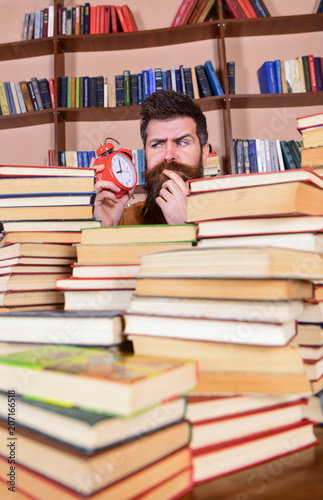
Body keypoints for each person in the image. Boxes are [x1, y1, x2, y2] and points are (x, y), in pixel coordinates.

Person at [93, 89, 210, 226]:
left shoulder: (230, 218)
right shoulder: (121, 221)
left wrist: (188, 226)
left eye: (182, 143)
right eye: (157, 145)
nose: (168, 156)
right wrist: (104, 230)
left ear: (204, 154)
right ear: (145, 156)